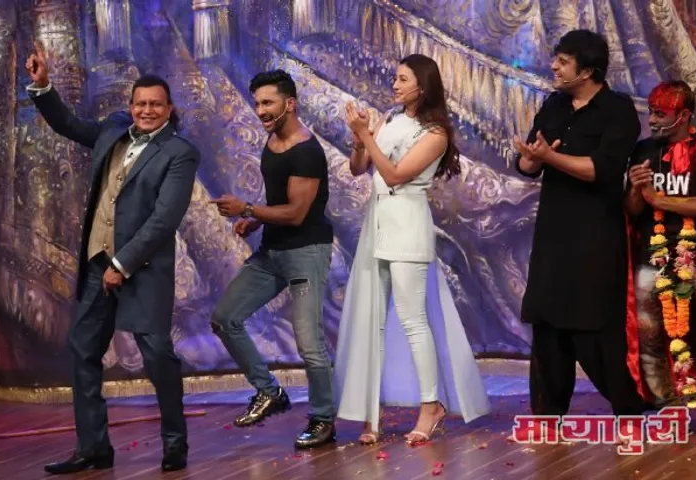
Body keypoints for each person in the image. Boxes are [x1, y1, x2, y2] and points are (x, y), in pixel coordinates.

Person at [25, 42, 199, 474]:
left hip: (141, 270)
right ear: (131, 105)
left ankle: (175, 443)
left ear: (169, 109)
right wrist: (43, 86)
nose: (146, 110)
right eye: (140, 103)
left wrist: (122, 265)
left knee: (157, 355)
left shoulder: (179, 152)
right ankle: (93, 448)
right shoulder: (114, 130)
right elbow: (68, 124)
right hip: (96, 264)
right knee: (83, 351)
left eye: (155, 104)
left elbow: (163, 220)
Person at [334, 53, 490, 446]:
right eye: (395, 77)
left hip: (407, 226)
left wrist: (368, 136)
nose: (395, 84)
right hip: (377, 223)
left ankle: (430, 405)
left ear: (423, 86)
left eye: (403, 79)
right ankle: (371, 415)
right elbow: (360, 168)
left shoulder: (435, 134)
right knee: (372, 318)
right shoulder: (390, 118)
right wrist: (359, 141)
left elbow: (395, 175)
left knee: (412, 319)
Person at [513, 30, 644, 417]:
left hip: (595, 234)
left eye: (563, 61)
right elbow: (529, 164)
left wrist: (550, 159)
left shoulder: (618, 111)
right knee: (547, 321)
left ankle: (628, 408)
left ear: (587, 71)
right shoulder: (554, 104)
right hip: (552, 233)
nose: (553, 66)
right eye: (555, 58)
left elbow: (602, 170)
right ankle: (547, 415)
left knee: (594, 323)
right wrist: (530, 159)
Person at [209, 70, 336, 449]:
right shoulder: (273, 140)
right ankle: (269, 391)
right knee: (225, 318)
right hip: (272, 252)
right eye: (257, 103)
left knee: (309, 344)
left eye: (268, 103)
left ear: (289, 104)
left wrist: (247, 208)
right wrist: (255, 220)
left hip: (306, 253)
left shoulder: (306, 150)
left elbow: (297, 213)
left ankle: (323, 418)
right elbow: (281, 199)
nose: (260, 110)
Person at [626, 80, 696, 442]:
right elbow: (633, 210)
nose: (653, 120)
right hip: (652, 260)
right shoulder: (643, 150)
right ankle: (667, 413)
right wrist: (637, 189)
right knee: (650, 339)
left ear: (684, 115)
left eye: (661, 114)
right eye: (651, 112)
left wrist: (660, 200)